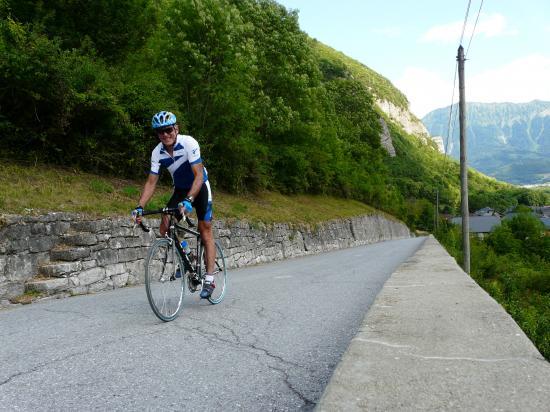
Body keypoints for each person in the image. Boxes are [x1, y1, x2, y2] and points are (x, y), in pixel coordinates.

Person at [132, 111, 216, 299]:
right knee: (165, 226)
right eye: (160, 132)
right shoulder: (157, 152)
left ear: (176, 129)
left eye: (168, 130)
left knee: (205, 229)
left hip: (200, 186)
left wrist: (189, 200)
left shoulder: (189, 143)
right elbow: (151, 182)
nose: (165, 134)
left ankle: (210, 279)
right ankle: (188, 254)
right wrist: (139, 206)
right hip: (180, 188)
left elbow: (199, 175)